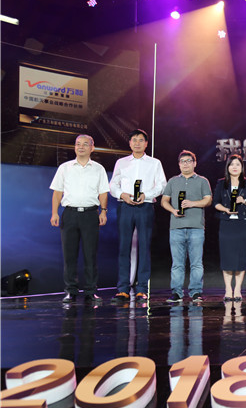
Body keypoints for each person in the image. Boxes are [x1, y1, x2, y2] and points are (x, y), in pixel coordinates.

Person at [50, 135, 109, 304]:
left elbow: (103, 192)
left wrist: (103, 211)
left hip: (90, 215)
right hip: (69, 214)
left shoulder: (98, 169)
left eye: (85, 144)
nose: (81, 147)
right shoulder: (65, 168)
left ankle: (91, 291)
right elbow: (57, 192)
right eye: (78, 144)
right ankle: (71, 291)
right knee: (69, 255)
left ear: (92, 148)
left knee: (90, 255)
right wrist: (54, 213)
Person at [109, 129, 167, 303]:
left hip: (145, 206)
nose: (137, 143)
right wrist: (122, 194)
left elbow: (162, 185)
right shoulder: (121, 162)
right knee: (124, 247)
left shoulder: (154, 163)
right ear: (129, 143)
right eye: (134, 140)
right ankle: (123, 289)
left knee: (144, 246)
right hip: (125, 206)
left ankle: (142, 289)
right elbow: (113, 185)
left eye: (141, 140)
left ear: (146, 143)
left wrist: (146, 195)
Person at [161, 151, 212, 303]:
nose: (185, 164)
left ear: (194, 163)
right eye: (182, 161)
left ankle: (196, 292)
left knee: (196, 263)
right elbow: (164, 201)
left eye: (189, 161)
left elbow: (208, 200)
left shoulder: (202, 181)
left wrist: (192, 203)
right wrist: (173, 210)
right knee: (177, 263)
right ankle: (176, 292)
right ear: (179, 164)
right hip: (176, 227)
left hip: (196, 227)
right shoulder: (173, 181)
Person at [213, 154, 246, 302]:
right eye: (232, 164)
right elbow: (215, 202)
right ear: (228, 167)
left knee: (240, 256)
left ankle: (237, 289)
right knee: (226, 256)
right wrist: (225, 209)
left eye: (238, 164)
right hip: (226, 223)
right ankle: (227, 289)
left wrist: (243, 201)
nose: (235, 167)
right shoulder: (221, 183)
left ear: (242, 167)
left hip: (242, 223)